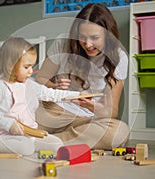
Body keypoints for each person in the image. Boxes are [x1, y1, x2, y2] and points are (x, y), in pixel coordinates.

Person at [0, 37, 80, 155]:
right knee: (25, 148)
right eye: (26, 67)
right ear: (10, 65)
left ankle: (28, 146)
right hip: (8, 136)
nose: (31, 71)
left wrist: (77, 95)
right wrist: (9, 125)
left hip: (30, 134)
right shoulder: (0, 86)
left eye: (32, 67)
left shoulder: (30, 85)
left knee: (56, 143)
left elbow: (50, 94)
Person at [34, 3, 130, 150]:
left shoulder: (119, 57)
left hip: (87, 119)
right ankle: (48, 137)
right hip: (57, 109)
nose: (88, 44)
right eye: (82, 37)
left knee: (119, 132)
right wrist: (54, 86)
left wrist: (93, 107)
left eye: (95, 37)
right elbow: (40, 79)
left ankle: (41, 141)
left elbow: (112, 111)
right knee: (13, 117)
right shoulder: (63, 43)